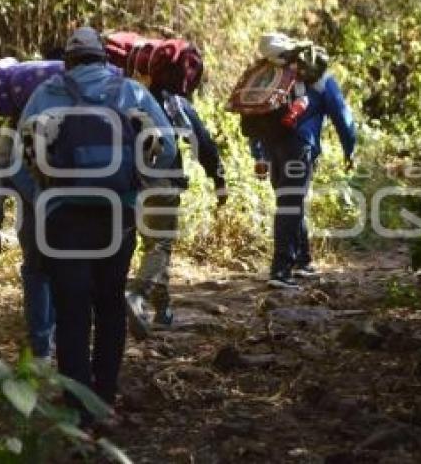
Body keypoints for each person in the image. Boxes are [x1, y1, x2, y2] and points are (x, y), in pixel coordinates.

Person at [18, 27, 176, 416]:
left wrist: (36, 205)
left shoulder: (45, 93)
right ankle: (105, 397)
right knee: (108, 304)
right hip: (115, 214)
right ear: (105, 59)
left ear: (67, 61)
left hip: (61, 218)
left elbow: (21, 162)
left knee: (71, 309)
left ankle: (77, 403)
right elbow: (167, 147)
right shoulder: (131, 92)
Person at [125, 81, 226, 338]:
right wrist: (218, 179)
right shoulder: (175, 104)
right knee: (159, 245)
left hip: (123, 182)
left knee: (142, 246)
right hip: (162, 181)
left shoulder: (122, 94)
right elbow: (202, 140)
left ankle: (162, 309)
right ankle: (137, 294)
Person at [250, 47, 357, 290]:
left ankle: (302, 260)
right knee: (290, 204)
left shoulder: (274, 76)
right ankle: (281, 269)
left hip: (271, 147)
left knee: (291, 201)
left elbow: (255, 112)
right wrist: (350, 150)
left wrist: (258, 154)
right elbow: (342, 116)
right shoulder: (321, 81)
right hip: (298, 148)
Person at [0, 59, 62, 363]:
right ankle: (63, 341)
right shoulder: (68, 118)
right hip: (70, 209)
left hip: (32, 212)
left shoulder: (14, 128)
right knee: (63, 271)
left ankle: (41, 346)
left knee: (37, 272)